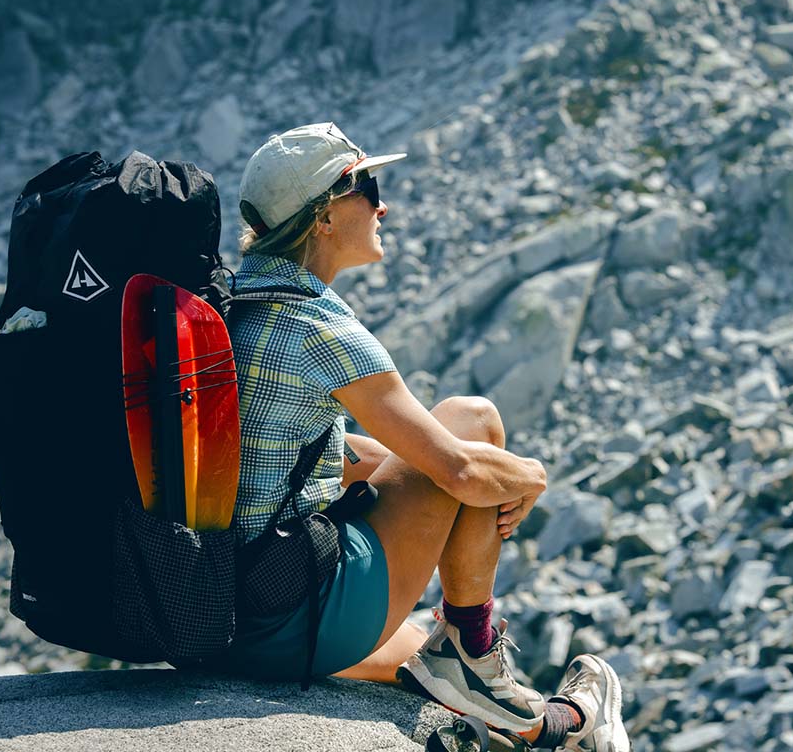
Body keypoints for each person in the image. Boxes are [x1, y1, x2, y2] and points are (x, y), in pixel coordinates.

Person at [219, 122, 630, 751]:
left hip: (225, 617)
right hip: (291, 615)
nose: (382, 205)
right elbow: (463, 469)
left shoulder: (235, 307)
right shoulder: (316, 327)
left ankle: (562, 730)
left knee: (419, 666)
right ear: (324, 216)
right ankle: (473, 649)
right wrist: (531, 477)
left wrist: (405, 466)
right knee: (471, 418)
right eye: (368, 187)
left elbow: (289, 452)